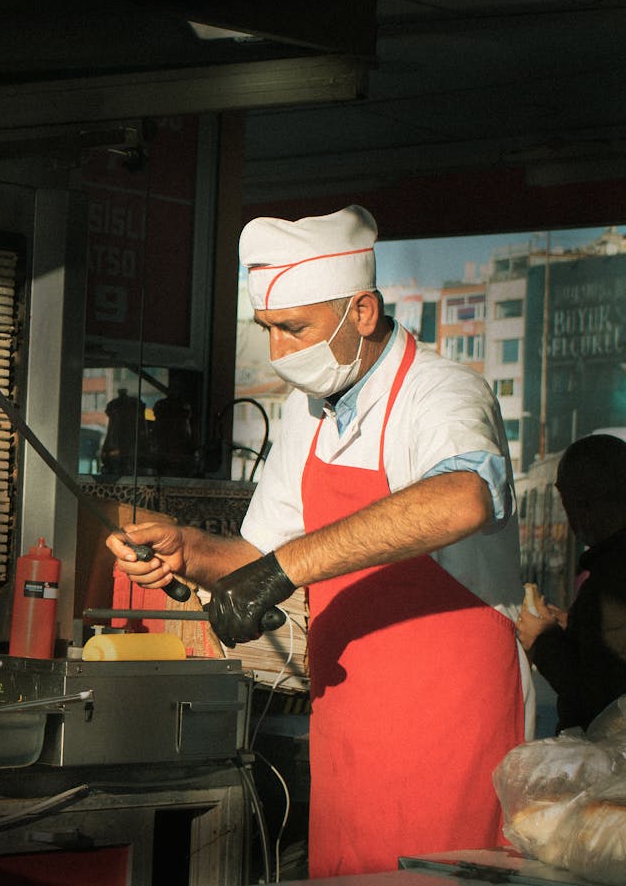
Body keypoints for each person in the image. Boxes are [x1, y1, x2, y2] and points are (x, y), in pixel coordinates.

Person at [106, 205, 530, 877]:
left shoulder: (442, 393)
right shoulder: (305, 413)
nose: (278, 352)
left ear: (362, 311)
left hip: (453, 729)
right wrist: (190, 550)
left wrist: (283, 567)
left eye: (293, 328)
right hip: (351, 729)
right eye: (268, 330)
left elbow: (464, 497)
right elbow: (263, 555)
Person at [516, 433, 626, 733]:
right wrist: (572, 627)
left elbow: (598, 695)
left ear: (585, 507)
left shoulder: (613, 581)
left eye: (570, 506)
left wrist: (542, 641)